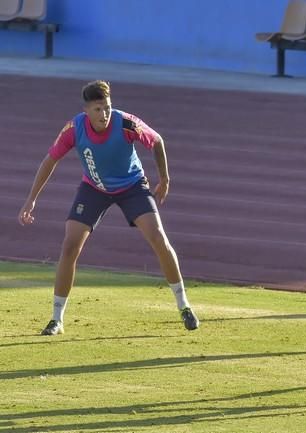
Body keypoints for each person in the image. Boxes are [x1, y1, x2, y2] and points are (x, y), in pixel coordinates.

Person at [18, 80, 200, 336]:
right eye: (97, 109)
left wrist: (165, 178)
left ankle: (184, 306)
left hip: (133, 186)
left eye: (107, 108)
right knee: (70, 245)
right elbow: (51, 160)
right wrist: (31, 199)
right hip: (94, 188)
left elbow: (156, 141)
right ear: (86, 111)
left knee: (158, 238)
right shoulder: (74, 128)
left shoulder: (125, 122)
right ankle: (57, 319)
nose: (104, 114)